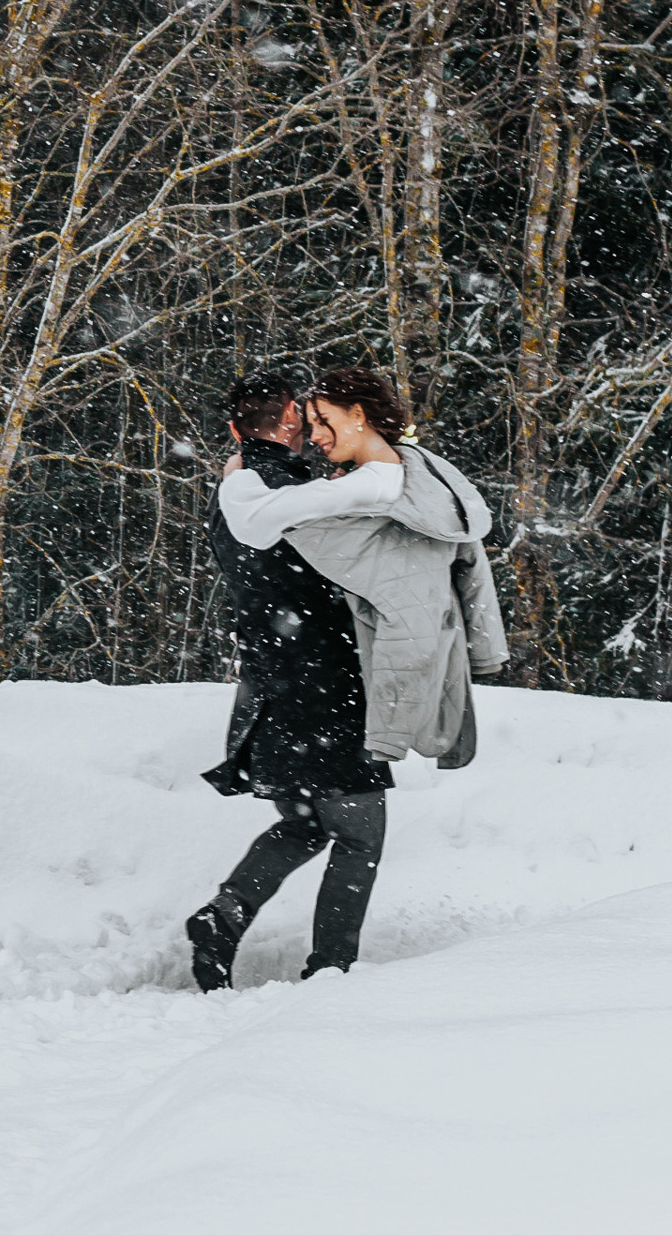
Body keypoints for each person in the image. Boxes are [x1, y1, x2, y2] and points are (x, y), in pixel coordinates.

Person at [187, 366, 508, 989]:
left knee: (307, 823)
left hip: (265, 691)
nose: (314, 431)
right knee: (361, 836)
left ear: (233, 429)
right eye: (306, 420)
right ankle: (330, 972)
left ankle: (223, 916)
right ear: (291, 425)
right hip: (325, 693)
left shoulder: (234, 496)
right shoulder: (317, 499)